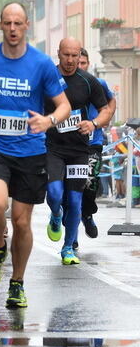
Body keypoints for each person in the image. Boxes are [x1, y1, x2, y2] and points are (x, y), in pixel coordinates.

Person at [0, 2, 70, 309]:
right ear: (1, 25)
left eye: (18, 23)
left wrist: (49, 120)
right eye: (7, 23)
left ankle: (17, 282)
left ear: (26, 27)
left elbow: (62, 105)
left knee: (22, 223)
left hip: (30, 150)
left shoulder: (41, 64)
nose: (12, 28)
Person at [43, 38, 110, 264]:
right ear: (58, 54)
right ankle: (55, 215)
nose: (70, 60)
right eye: (66, 55)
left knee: (75, 199)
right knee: (54, 194)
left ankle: (68, 247)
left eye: (75, 55)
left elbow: (105, 110)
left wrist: (94, 124)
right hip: (52, 148)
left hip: (79, 150)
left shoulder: (89, 81)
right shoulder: (47, 77)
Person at [78, 48, 117, 238]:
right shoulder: (63, 83)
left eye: (83, 63)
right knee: (69, 189)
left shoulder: (98, 83)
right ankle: (70, 235)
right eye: (77, 63)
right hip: (68, 144)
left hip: (93, 142)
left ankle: (86, 214)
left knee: (90, 182)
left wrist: (106, 118)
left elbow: (111, 101)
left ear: (88, 64)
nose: (80, 66)